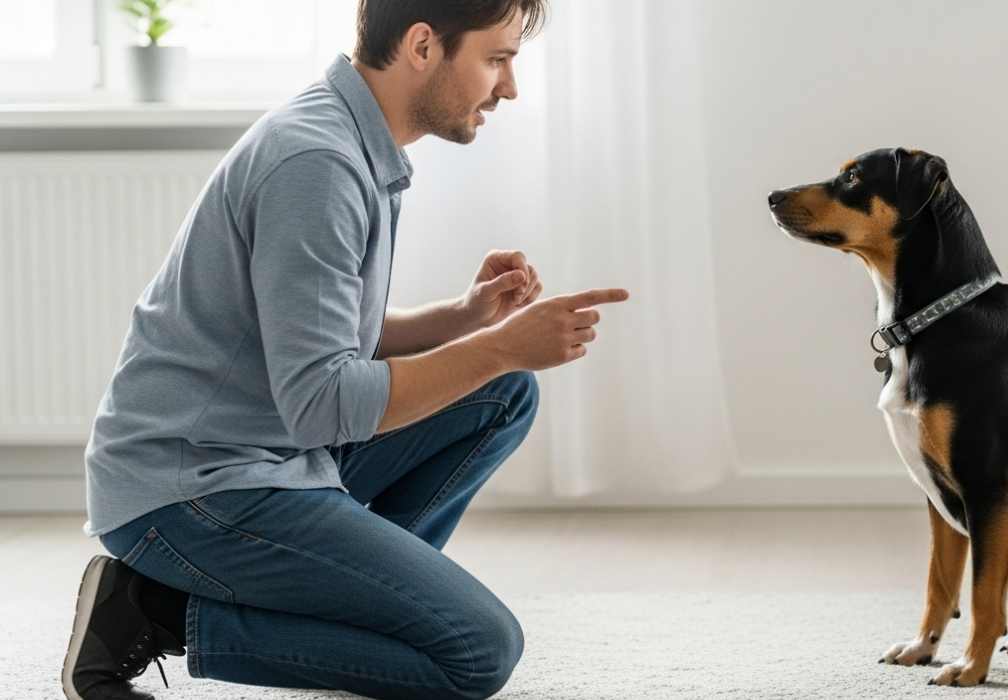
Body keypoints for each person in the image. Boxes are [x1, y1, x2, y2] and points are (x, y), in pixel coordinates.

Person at [61, 1, 625, 698]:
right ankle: (152, 612)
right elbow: (323, 404)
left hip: (268, 458)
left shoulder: (348, 138)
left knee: (501, 395)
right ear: (423, 45)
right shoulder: (318, 164)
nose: (508, 87)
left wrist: (464, 318)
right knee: (477, 653)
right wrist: (501, 347)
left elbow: (324, 340)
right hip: (191, 491)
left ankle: (357, 601)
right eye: (497, 58)